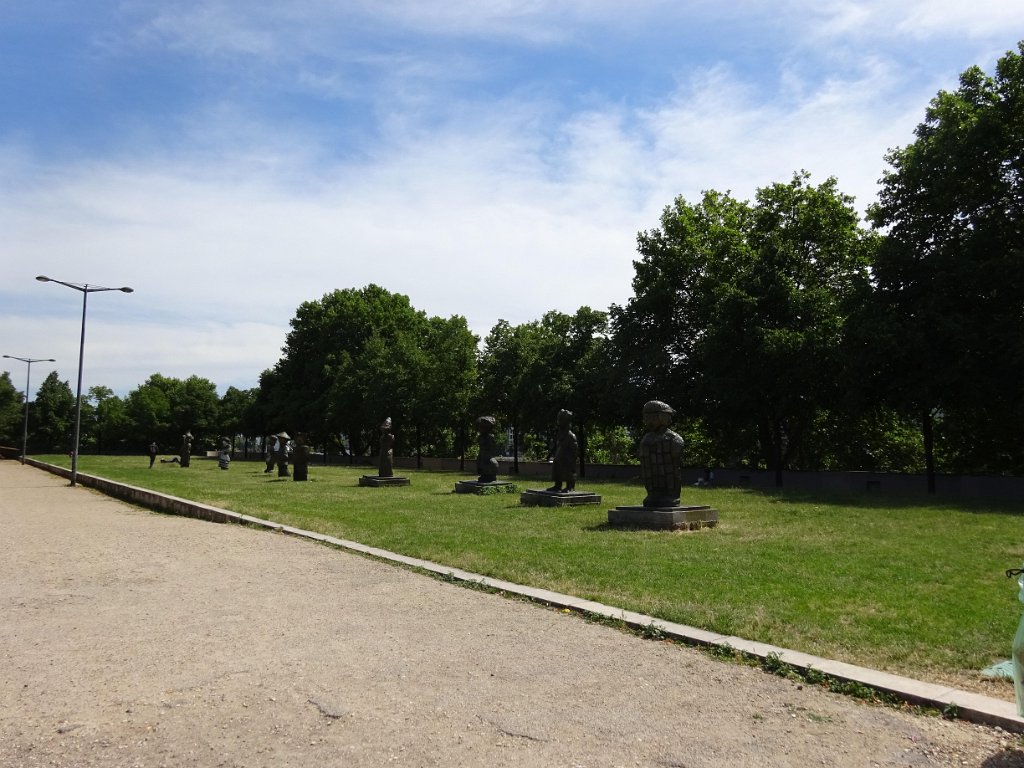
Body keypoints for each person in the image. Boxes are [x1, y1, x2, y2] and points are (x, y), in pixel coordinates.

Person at [638, 400, 685, 507]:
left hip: (669, 484)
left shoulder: (673, 438)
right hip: (652, 484)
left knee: (669, 471)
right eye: (646, 417)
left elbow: (674, 464)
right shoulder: (646, 439)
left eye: (651, 418)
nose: (647, 421)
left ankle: (671, 495)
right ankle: (653, 494)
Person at [546, 409, 578, 493]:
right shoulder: (560, 433)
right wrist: (549, 456)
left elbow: (575, 449)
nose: (559, 422)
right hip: (559, 456)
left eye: (561, 420)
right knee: (556, 469)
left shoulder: (571, 435)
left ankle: (570, 486)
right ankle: (557, 485)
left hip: (568, 458)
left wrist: (572, 458)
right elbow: (556, 445)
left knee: (568, 471)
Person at [475, 416, 500, 483]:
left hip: (488, 456)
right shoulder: (480, 437)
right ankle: (484, 475)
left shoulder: (490, 437)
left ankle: (491, 476)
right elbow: (480, 448)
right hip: (482, 455)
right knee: (480, 464)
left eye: (481, 427)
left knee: (490, 463)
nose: (479, 429)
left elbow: (493, 448)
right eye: (478, 427)